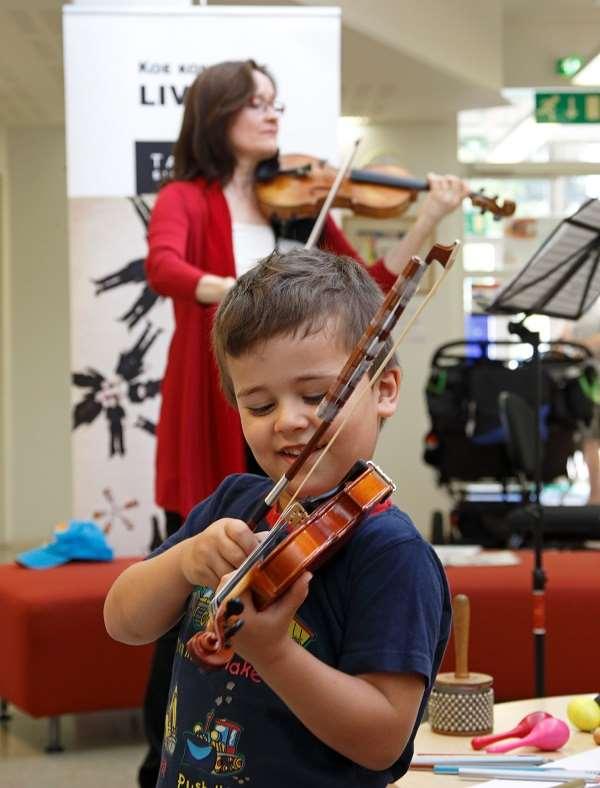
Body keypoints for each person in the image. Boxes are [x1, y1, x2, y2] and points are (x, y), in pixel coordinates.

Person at [142, 57, 465, 788]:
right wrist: (247, 294)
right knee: (188, 602)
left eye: (276, 102)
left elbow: (377, 295)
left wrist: (427, 218)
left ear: (379, 390)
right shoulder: (187, 198)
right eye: (254, 104)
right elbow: (165, 269)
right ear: (214, 114)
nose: (272, 116)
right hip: (217, 368)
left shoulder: (387, 554)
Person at [105, 247, 452, 788]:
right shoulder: (231, 505)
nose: (289, 422)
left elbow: (383, 740)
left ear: (384, 389)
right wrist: (184, 561)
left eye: (317, 396)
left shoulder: (389, 551)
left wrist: (273, 652)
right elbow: (123, 621)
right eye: (260, 406)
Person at [559, 299, 600, 503]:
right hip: (582, 383)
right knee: (589, 439)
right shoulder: (578, 306)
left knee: (592, 439)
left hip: (595, 379)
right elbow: (564, 339)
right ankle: (595, 495)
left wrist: (579, 346)